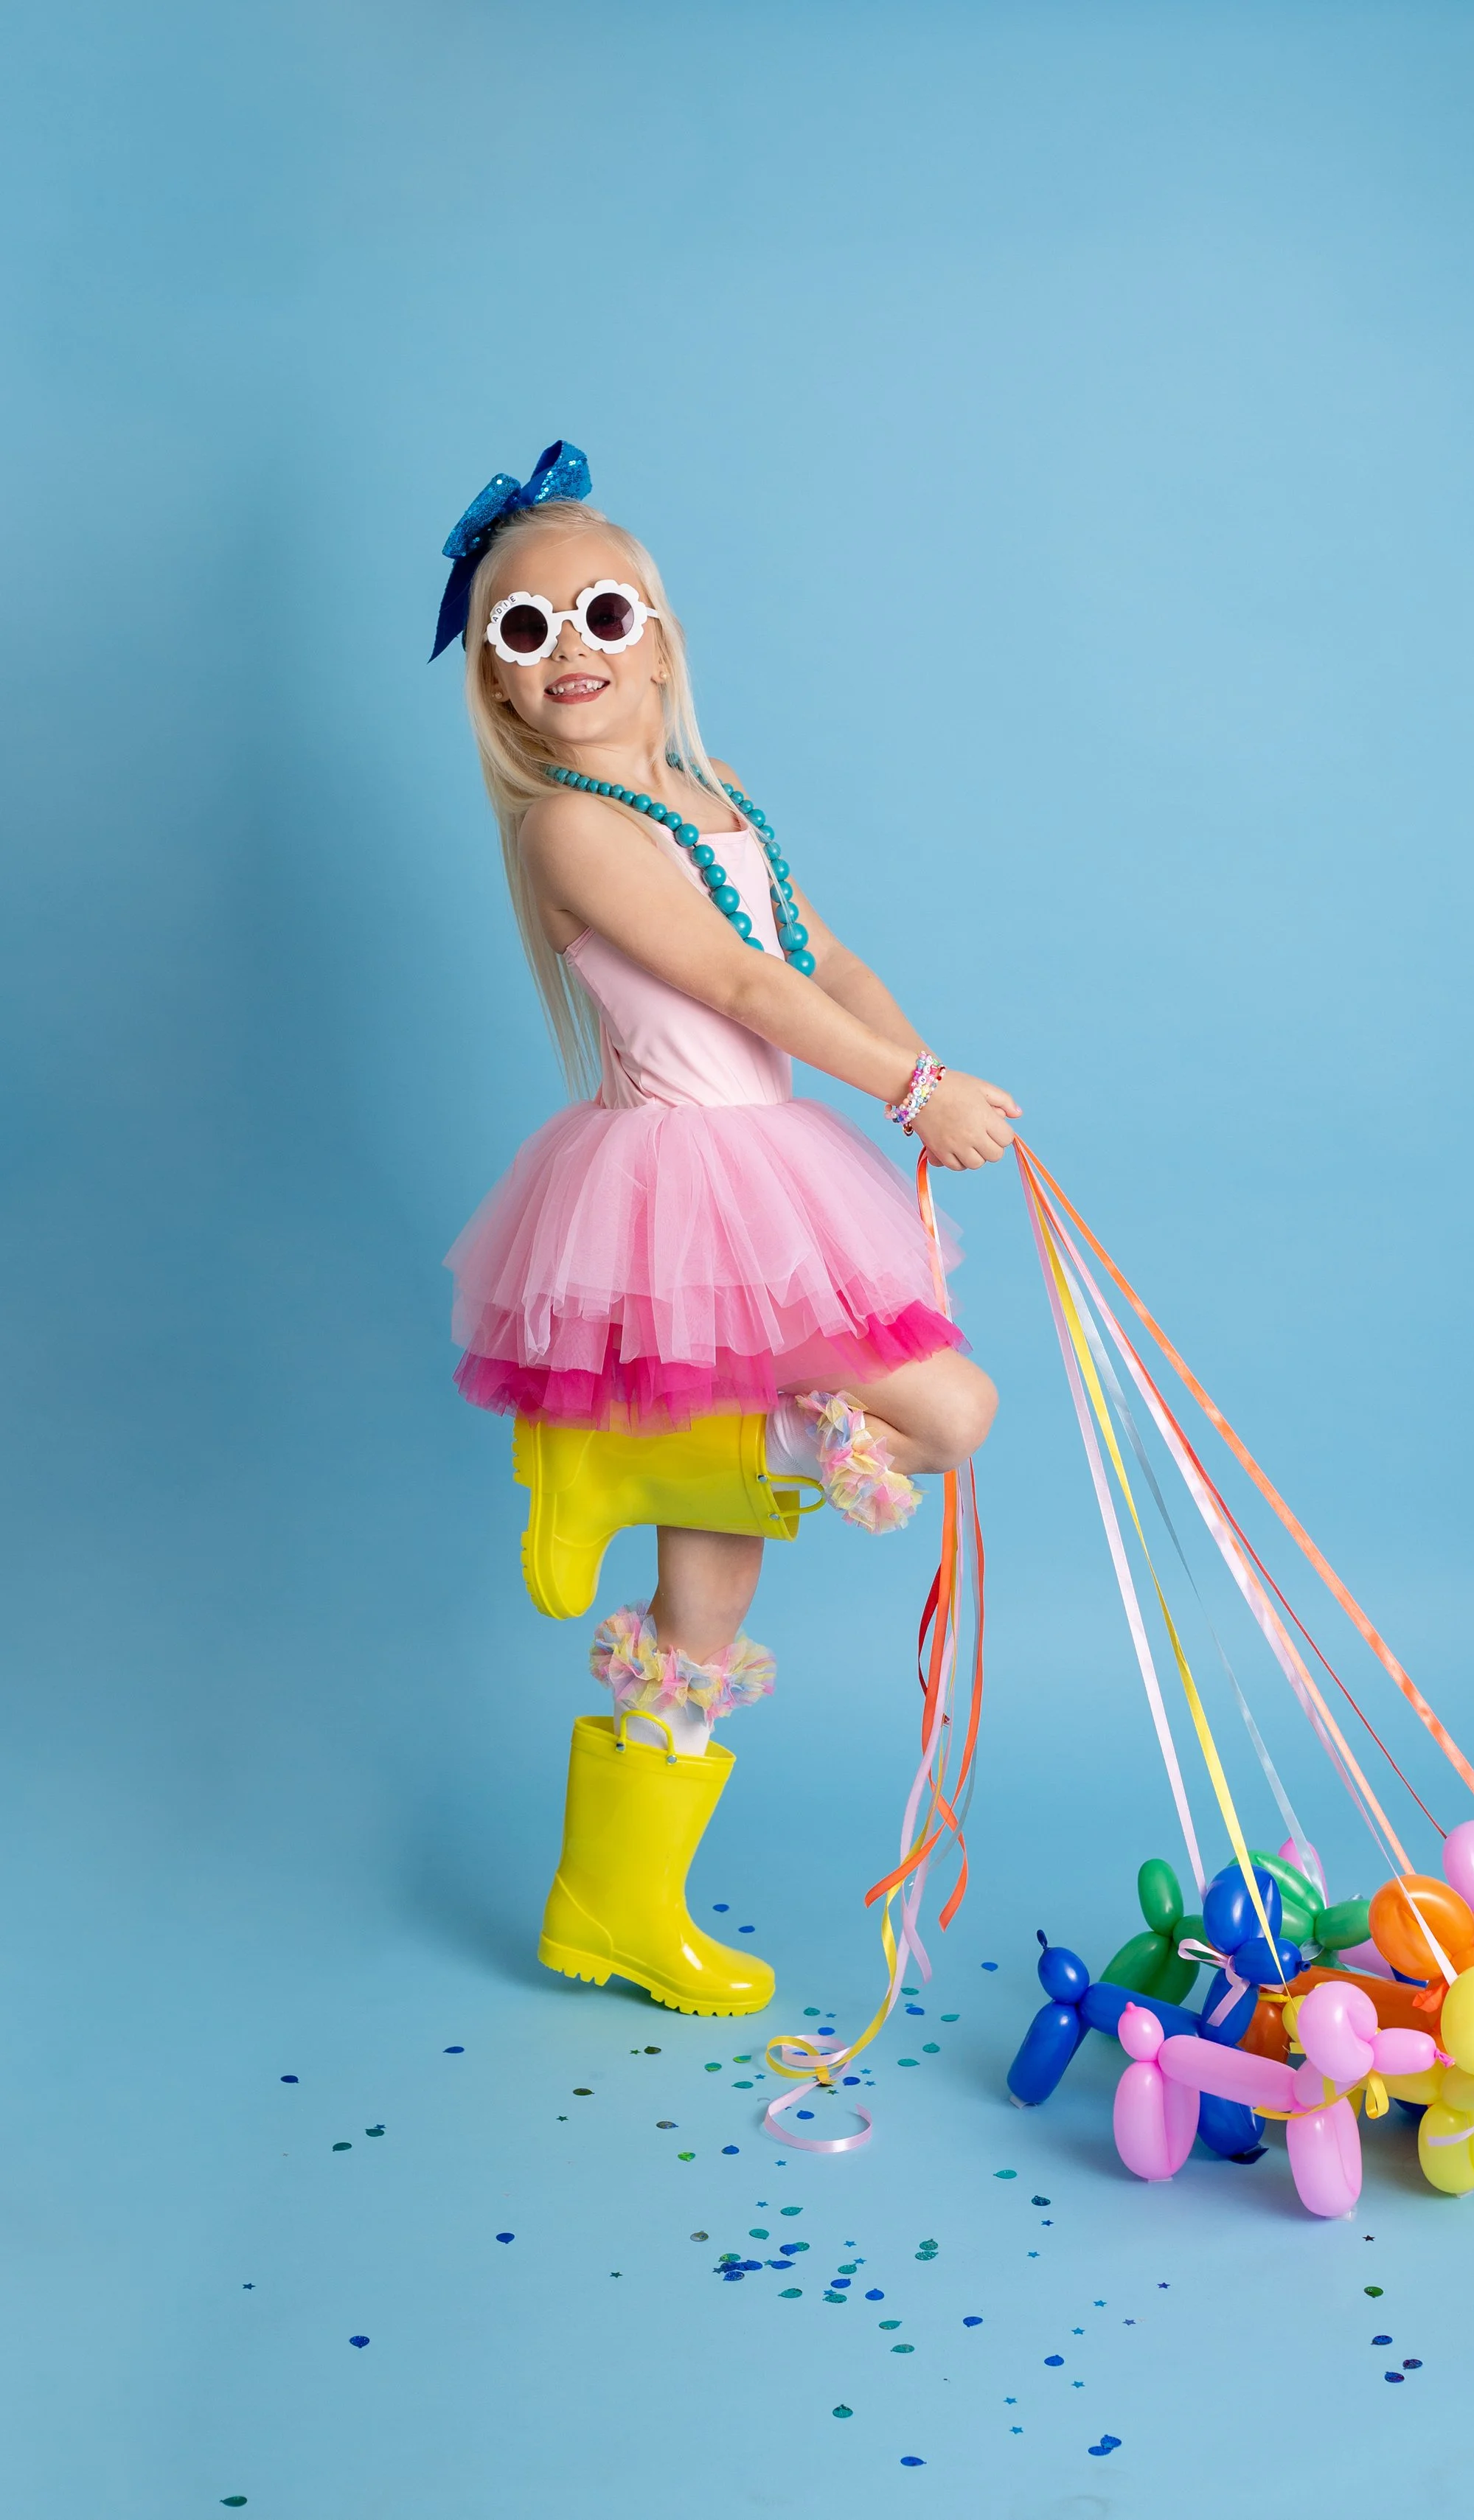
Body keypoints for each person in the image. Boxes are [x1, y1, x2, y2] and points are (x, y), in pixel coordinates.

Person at [435, 442, 1018, 2015]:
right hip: (676, 1191)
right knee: (944, 1409)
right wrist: (906, 1092)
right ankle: (652, 1449)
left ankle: (610, 1906)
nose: (569, 649)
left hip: (765, 1171)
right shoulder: (570, 825)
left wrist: (923, 1061)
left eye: (600, 612)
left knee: (710, 1601)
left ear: (661, 636)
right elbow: (738, 990)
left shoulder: (712, 794)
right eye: (522, 628)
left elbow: (813, 953)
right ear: (493, 681)